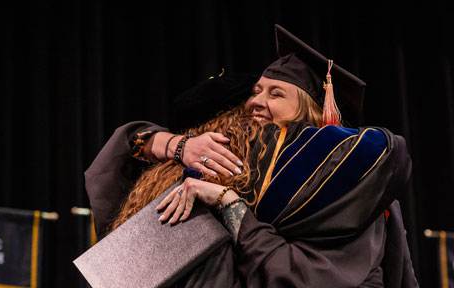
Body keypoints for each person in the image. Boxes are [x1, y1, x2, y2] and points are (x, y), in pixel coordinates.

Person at [84, 25, 419, 287]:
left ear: (314, 113)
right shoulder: (239, 157)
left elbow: (308, 277)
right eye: (256, 91)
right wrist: (180, 146)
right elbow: (127, 146)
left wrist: (227, 202)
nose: (257, 101)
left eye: (276, 94)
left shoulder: (349, 184)